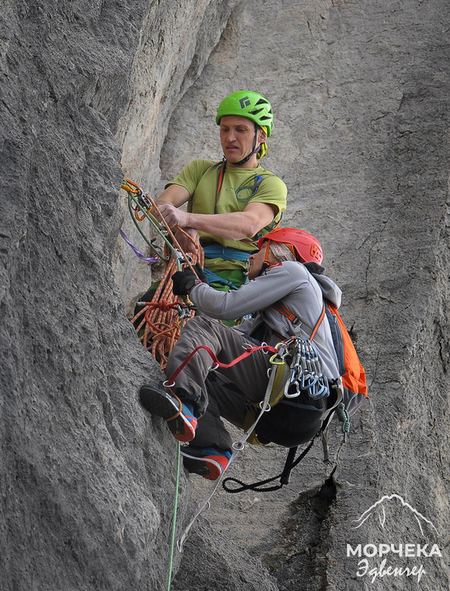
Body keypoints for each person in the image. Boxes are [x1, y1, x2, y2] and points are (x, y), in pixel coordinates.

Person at [139, 228, 344, 481]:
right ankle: (212, 448)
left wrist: (194, 288)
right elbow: (228, 341)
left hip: (291, 387)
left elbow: (225, 308)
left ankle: (183, 398)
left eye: (260, 249)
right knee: (207, 372)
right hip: (296, 417)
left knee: (203, 331)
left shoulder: (294, 271)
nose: (252, 256)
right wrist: (201, 291)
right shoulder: (282, 307)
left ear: (278, 252)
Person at [155, 90, 287, 291]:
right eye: (224, 130)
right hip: (190, 270)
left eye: (240, 130)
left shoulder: (270, 184)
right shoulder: (200, 170)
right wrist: (179, 230)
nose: (230, 138)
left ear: (261, 135)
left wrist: (187, 219)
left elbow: (249, 224)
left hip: (240, 281)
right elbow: (160, 206)